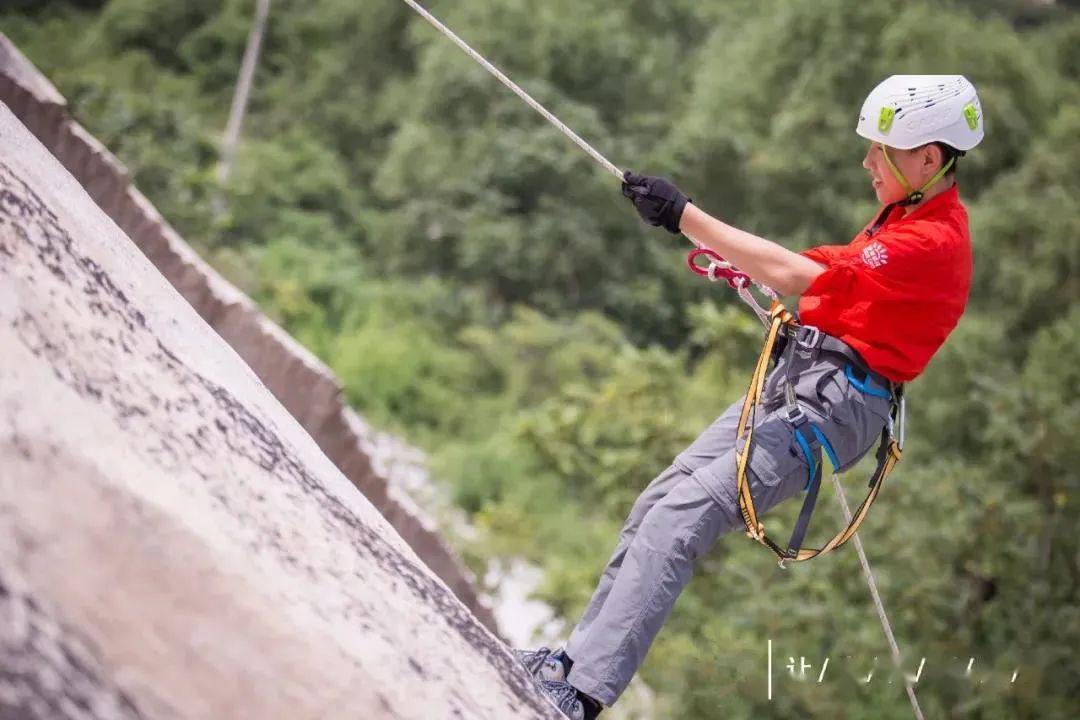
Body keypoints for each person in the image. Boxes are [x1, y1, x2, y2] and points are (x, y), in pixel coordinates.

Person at [513, 74, 985, 720]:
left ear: (928, 159)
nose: (867, 162)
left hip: (834, 406)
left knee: (682, 518)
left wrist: (686, 216)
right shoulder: (904, 216)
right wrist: (719, 247)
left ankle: (584, 695)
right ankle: (573, 664)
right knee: (658, 501)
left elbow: (798, 275)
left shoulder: (933, 240)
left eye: (883, 150)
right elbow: (817, 269)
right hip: (803, 381)